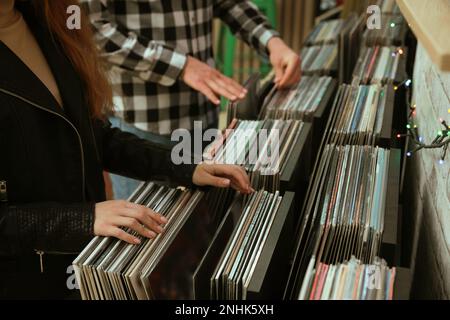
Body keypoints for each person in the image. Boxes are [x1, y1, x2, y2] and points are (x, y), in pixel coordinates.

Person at [0, 0, 251, 299]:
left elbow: (98, 138)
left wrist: (185, 165)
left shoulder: (51, 22)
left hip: (80, 263)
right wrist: (84, 219)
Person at [82, 0, 301, 199]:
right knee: (157, 233)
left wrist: (273, 43)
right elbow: (91, 30)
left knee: (207, 222)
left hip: (205, 117)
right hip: (145, 128)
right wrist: (180, 65)